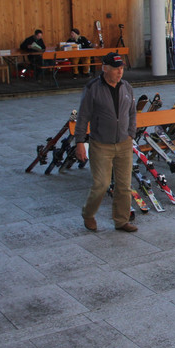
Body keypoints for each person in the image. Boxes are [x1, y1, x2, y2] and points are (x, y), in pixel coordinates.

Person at [74, 52, 138, 233]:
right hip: (101, 144)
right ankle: (88, 213)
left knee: (124, 186)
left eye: (121, 68)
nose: (120, 72)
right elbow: (83, 117)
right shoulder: (92, 88)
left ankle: (121, 220)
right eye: (116, 68)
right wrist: (79, 142)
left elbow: (132, 113)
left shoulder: (126, 87)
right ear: (105, 69)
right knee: (101, 184)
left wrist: (131, 133)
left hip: (124, 143)